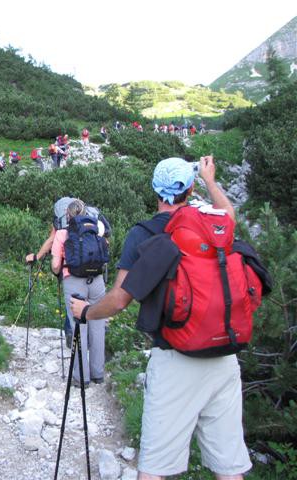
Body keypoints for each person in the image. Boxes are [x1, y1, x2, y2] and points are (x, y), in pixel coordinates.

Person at [70, 156, 250, 479]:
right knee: (229, 466)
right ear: (190, 189)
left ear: (154, 189)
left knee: (154, 467)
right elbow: (230, 215)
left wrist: (86, 313)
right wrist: (210, 180)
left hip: (175, 357)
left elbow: (118, 300)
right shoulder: (211, 221)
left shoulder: (144, 234)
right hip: (224, 355)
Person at [51, 199, 108, 387]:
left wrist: (57, 271)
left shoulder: (61, 234)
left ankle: (81, 377)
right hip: (97, 281)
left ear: (67, 215)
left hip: (74, 282)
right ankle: (98, 373)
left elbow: (56, 266)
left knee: (79, 327)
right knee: (98, 325)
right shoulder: (96, 229)